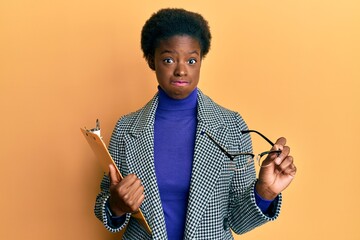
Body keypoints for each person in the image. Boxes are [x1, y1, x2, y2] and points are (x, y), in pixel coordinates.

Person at [94, 8, 297, 239]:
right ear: (152, 60)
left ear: (201, 60)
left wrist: (265, 192)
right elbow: (106, 201)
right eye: (168, 59)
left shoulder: (231, 126)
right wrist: (116, 207)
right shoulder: (126, 128)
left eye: (191, 60)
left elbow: (239, 222)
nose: (181, 70)